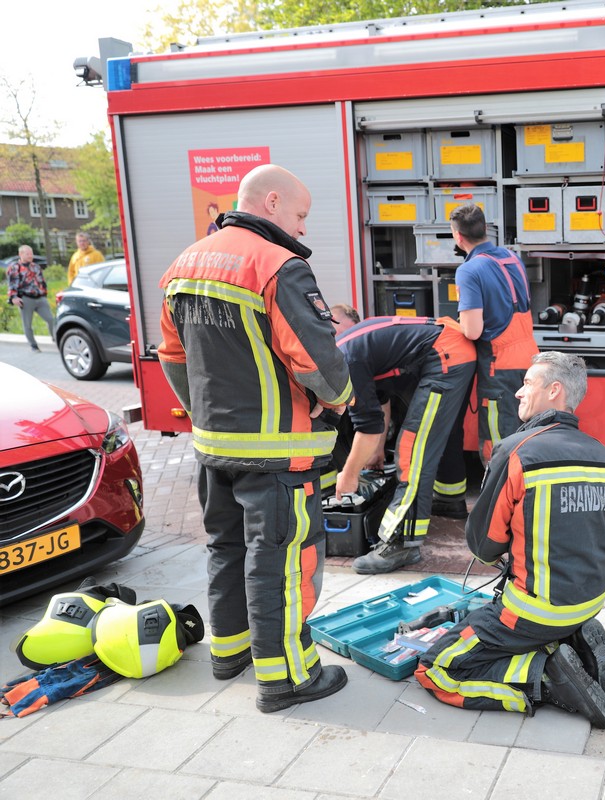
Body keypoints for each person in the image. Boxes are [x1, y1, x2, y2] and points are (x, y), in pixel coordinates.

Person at [157, 164, 354, 714]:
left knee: (226, 548)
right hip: (277, 454)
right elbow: (323, 365)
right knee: (282, 563)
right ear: (271, 202)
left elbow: (173, 358)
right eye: (300, 215)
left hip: (213, 447)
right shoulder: (276, 265)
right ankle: (287, 677)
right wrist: (334, 401)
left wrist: (204, 416)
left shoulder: (183, 264)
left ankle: (230, 652)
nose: (303, 229)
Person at [415, 352, 605, 728]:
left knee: (437, 668)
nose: (517, 392)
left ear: (554, 390)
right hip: (590, 600)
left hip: (534, 611)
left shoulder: (518, 450)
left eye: (528, 382)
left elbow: (484, 547)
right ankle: (570, 640)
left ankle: (546, 678)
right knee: (525, 611)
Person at [327, 304, 476, 574]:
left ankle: (401, 543)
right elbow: (380, 401)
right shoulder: (347, 350)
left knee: (412, 448)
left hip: (444, 354)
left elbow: (368, 425)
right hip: (451, 346)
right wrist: (377, 451)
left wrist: (348, 474)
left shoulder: (344, 361)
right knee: (438, 434)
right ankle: (449, 500)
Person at [432, 202, 540, 519]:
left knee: (498, 446)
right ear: (485, 229)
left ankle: (501, 517)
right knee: (525, 441)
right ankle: (523, 509)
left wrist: (449, 325)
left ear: (457, 235)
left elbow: (473, 328)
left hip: (500, 370)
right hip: (529, 362)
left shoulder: (469, 270)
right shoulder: (510, 257)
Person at [6, 245, 55, 352]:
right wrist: (14, 297)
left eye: (31, 253)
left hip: (40, 298)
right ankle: (33, 345)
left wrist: (44, 293)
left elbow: (42, 281)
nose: (30, 256)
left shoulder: (36, 267)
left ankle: (55, 338)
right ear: (20, 254)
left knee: (51, 319)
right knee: (27, 323)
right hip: (26, 298)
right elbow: (12, 284)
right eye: (27, 253)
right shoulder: (14, 268)